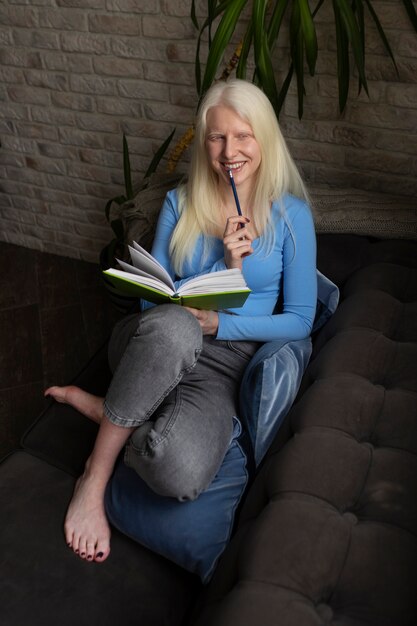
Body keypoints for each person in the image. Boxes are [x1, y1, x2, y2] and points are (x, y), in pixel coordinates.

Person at [45, 78, 317, 564]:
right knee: (175, 328)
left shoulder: (291, 216)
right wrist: (224, 272)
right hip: (151, 342)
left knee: (179, 472)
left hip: (224, 364)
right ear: (204, 140)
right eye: (217, 137)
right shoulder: (180, 202)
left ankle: (112, 409)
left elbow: (299, 320)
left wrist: (221, 324)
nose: (229, 150)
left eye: (243, 135)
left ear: (264, 139)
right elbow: (153, 305)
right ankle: (95, 474)